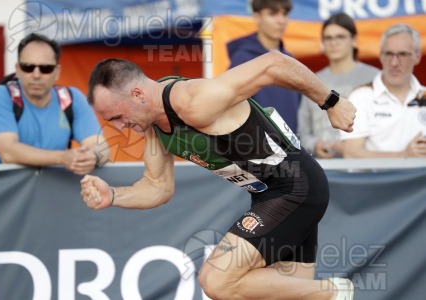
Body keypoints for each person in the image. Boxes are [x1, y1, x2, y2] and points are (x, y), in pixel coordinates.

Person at [80, 51, 356, 299]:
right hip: (270, 195)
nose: (118, 128)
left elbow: (274, 63)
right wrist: (113, 194)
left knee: (216, 280)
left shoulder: (192, 101)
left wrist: (330, 101)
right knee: (290, 292)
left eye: (116, 117)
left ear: (138, 95)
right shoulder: (154, 127)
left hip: (295, 188)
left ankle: (335, 292)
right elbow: (158, 187)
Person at [0, 33, 109, 174]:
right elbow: (8, 153)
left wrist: (92, 157)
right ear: (17, 69)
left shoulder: (72, 98)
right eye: (28, 67)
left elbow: (101, 147)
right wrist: (63, 157)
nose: (36, 74)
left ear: (57, 72)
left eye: (45, 68)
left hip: (44, 190)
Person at [297, 13, 379, 158]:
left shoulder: (376, 77)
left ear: (354, 40)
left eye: (340, 37)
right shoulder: (311, 80)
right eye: (328, 38)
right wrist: (315, 145)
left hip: (366, 167)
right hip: (325, 169)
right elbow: (303, 133)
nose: (333, 43)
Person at [341, 23, 426, 158]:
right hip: (377, 179)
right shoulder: (361, 97)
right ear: (380, 56)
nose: (394, 63)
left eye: (402, 54)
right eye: (389, 54)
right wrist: (404, 156)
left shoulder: (424, 95)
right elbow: (351, 153)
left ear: (417, 56)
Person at [226, 0, 301, 133]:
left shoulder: (292, 61)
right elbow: (231, 109)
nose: (281, 20)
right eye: (272, 14)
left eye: (284, 14)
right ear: (257, 17)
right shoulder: (243, 59)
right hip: (255, 148)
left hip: (292, 147)